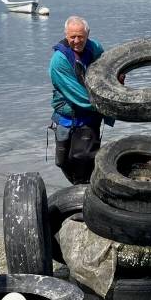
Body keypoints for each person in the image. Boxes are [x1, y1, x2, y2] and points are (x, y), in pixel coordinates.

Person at [49, 16, 112, 184]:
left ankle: (87, 188)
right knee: (62, 161)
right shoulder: (59, 60)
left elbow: (107, 69)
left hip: (89, 117)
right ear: (66, 35)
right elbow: (77, 95)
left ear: (87, 34)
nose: (76, 41)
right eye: (72, 37)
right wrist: (109, 106)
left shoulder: (95, 48)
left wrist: (117, 80)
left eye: (80, 37)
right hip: (66, 116)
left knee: (83, 158)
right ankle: (81, 187)